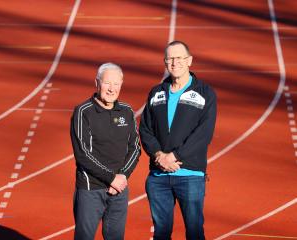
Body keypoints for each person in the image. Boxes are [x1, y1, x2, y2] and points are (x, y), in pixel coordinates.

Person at [139, 41, 217, 240]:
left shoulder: (205, 93)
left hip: (190, 175)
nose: (175, 63)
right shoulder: (156, 93)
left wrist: (175, 156)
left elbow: (203, 134)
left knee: (194, 233)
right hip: (158, 176)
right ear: (165, 62)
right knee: (161, 233)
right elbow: (145, 129)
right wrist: (159, 156)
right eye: (170, 59)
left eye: (179, 58)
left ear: (189, 61)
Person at [70, 62, 141, 240]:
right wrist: (112, 179)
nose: (112, 89)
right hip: (90, 189)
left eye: (116, 84)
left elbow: (135, 148)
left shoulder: (126, 111)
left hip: (119, 190)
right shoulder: (83, 112)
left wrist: (123, 176)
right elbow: (83, 154)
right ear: (97, 83)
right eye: (107, 83)